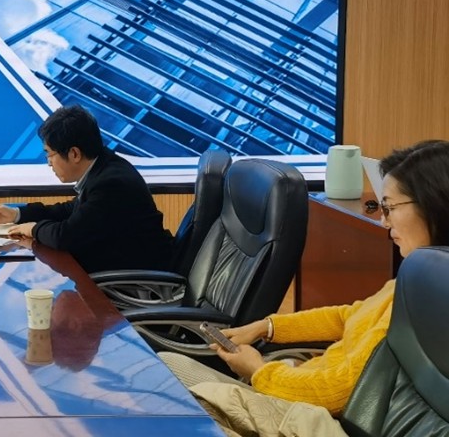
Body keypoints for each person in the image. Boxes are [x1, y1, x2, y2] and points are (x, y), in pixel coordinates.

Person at [159, 139, 449, 426]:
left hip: (315, 418)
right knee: (170, 370)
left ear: (433, 206)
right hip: (300, 395)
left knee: (170, 385)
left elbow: (334, 394)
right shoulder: (415, 280)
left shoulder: (427, 299)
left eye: (389, 207)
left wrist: (258, 370)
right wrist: (266, 327)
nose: (384, 222)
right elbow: (346, 317)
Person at [0, 105, 173, 273]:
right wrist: (17, 214)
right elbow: (70, 210)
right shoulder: (104, 168)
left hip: (138, 280)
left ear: (74, 153)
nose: (49, 163)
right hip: (120, 268)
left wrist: (33, 229)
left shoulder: (111, 184)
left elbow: (65, 237)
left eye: (49, 154)